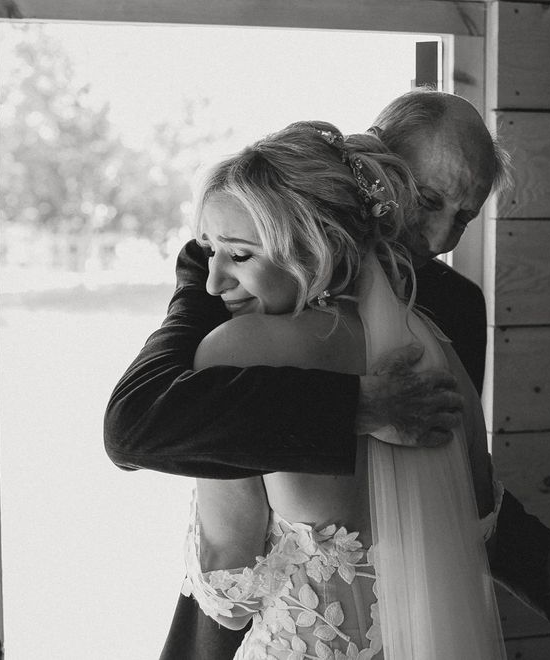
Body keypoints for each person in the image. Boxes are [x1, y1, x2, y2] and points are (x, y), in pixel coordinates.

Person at [104, 91, 550, 659]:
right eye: (428, 201)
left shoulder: (454, 309)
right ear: (375, 176)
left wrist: (544, 558)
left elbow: (445, 481)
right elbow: (138, 423)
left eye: (464, 218)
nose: (438, 240)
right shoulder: (241, 260)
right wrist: (358, 406)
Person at [182, 121, 506, 658]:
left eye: (239, 255)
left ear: (312, 248)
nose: (212, 282)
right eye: (209, 250)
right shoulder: (438, 353)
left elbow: (229, 581)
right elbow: (477, 526)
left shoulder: (234, 350)